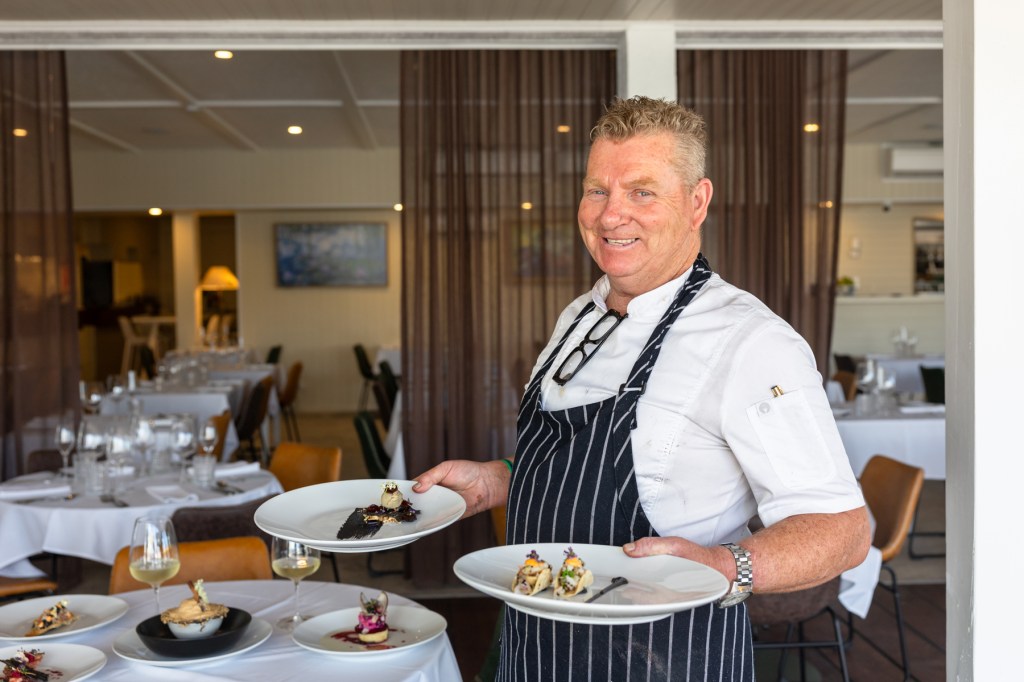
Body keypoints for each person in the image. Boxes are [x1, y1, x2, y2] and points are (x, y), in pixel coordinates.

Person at [414, 96, 871, 681]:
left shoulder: (750, 341)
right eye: (597, 190)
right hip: (535, 650)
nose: (611, 216)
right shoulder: (579, 314)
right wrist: (497, 479)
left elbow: (841, 530)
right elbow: (583, 466)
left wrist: (724, 566)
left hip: (663, 658)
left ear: (697, 201)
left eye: (642, 192)